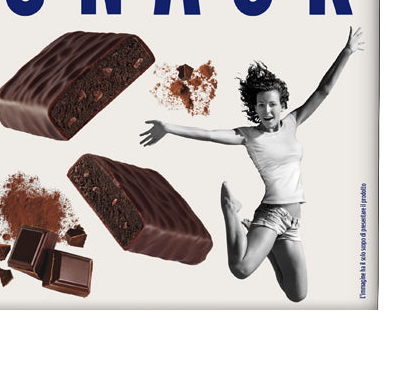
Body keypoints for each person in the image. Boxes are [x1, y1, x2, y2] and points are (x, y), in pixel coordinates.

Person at [140, 27, 365, 302]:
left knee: (297, 294)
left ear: (282, 104)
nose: (267, 111)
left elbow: (324, 90)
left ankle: (266, 250)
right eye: (261, 105)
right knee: (241, 268)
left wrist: (347, 51)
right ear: (254, 108)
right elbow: (209, 135)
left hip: (293, 222)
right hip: (273, 214)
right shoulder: (249, 135)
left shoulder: (293, 122)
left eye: (272, 104)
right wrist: (169, 127)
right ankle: (230, 210)